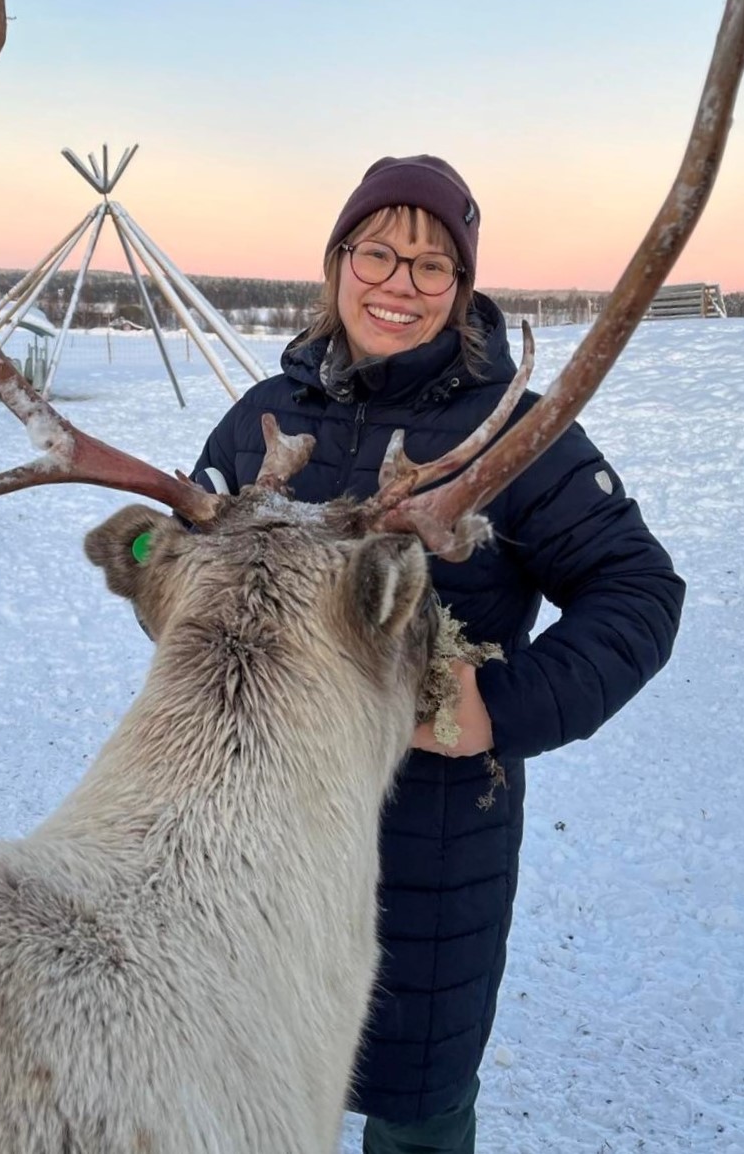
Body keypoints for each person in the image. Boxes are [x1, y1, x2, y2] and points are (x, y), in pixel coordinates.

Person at [189, 155, 685, 1153]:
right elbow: (192, 561)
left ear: (460, 290)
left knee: (414, 1111)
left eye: (429, 266)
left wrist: (494, 704)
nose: (397, 284)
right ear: (336, 264)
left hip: (423, 851)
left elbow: (636, 591)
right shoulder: (261, 418)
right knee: (252, 1089)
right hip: (255, 840)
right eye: (377, 251)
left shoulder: (516, 435)